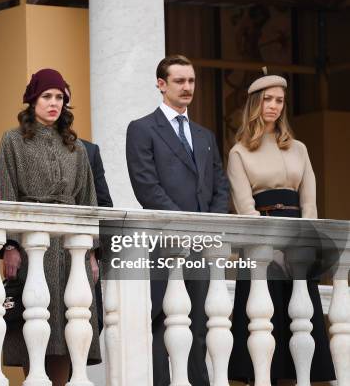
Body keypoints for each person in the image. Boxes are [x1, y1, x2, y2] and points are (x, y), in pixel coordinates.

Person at [126, 55, 229, 386]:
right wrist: (184, 225)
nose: (188, 87)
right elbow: (146, 187)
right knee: (161, 323)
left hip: (201, 245)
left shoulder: (205, 136)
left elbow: (220, 185)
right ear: (161, 84)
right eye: (179, 81)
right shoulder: (142, 129)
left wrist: (209, 226)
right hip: (162, 244)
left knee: (198, 325)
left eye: (192, 81)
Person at [226, 73, 336, 384]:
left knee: (302, 324)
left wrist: (303, 248)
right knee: (265, 326)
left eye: (279, 100)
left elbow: (310, 204)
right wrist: (273, 249)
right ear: (254, 104)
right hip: (263, 247)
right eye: (267, 100)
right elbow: (245, 208)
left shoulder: (299, 148)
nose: (273, 106)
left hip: (298, 245)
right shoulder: (239, 151)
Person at [0, 68, 101, 386]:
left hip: (71, 251)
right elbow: (6, 194)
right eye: (47, 97)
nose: (54, 103)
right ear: (32, 100)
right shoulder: (13, 140)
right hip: (32, 247)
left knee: (69, 326)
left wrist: (93, 253)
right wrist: (11, 245)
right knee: (36, 327)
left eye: (59, 97)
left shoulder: (77, 147)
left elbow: (88, 201)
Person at [80, 138, 113, 333]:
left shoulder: (88, 150)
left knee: (88, 324)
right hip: (39, 248)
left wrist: (94, 252)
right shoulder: (19, 141)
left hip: (82, 250)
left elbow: (103, 205)